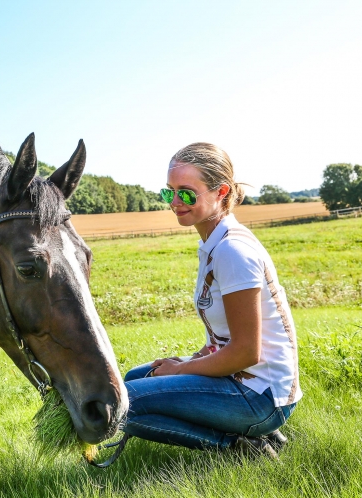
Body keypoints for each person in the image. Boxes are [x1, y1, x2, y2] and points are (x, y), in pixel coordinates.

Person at [123, 142, 301, 458]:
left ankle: (242, 446)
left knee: (120, 404)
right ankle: (244, 433)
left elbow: (246, 351)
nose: (175, 202)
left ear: (220, 192)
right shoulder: (213, 243)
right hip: (242, 379)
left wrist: (182, 371)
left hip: (259, 395)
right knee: (133, 379)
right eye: (169, 192)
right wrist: (191, 361)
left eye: (187, 193)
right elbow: (225, 337)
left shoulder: (232, 251)